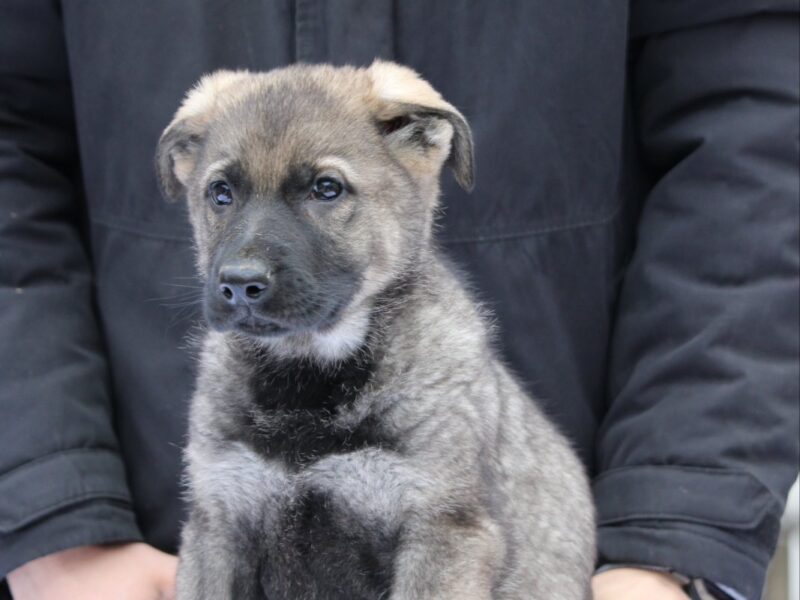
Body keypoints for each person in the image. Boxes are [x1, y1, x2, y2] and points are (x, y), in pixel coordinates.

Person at [0, 2, 797, 599]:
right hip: (125, 550)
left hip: (603, 547)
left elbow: (753, 123)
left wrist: (678, 538)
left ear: (430, 142)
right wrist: (52, 520)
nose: (244, 261)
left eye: (323, 189)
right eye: (221, 194)